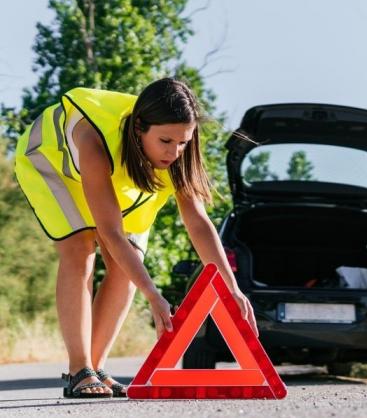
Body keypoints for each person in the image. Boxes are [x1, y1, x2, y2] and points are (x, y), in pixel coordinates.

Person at [14, 78, 258, 398]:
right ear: (139, 128)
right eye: (166, 141)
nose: (175, 152)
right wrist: (154, 295)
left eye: (183, 142)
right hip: (51, 162)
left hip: (118, 173)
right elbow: (110, 232)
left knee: (129, 265)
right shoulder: (93, 139)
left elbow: (198, 223)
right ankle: (79, 369)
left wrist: (233, 289)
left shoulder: (174, 150)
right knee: (81, 247)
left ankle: (96, 368)